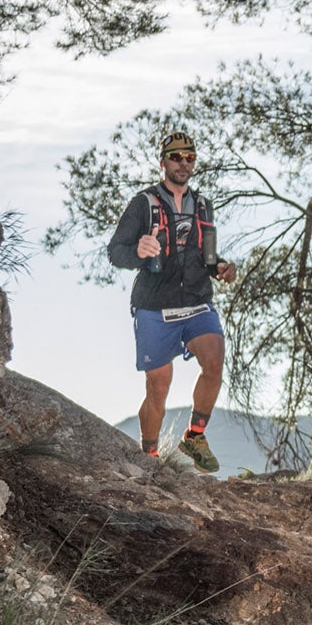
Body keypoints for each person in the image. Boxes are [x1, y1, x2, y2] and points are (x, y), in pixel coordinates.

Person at [107, 130, 238, 471]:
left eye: (190, 157)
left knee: (214, 361)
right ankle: (149, 456)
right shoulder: (144, 203)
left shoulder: (204, 205)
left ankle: (194, 435)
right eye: (176, 157)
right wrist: (137, 251)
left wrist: (220, 267)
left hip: (196, 301)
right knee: (158, 388)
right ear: (163, 161)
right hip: (154, 305)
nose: (183, 163)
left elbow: (206, 257)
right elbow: (115, 251)